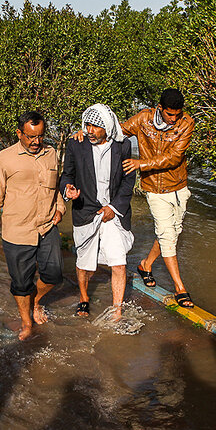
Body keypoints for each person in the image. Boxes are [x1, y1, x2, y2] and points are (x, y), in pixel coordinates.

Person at [0, 111, 65, 341]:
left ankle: (35, 301)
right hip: (17, 231)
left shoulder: (51, 153)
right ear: (19, 133)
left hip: (46, 227)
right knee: (21, 283)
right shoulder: (4, 158)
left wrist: (61, 209)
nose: (36, 142)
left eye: (40, 136)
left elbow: (57, 187)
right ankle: (26, 321)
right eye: (31, 136)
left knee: (54, 274)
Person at [58, 104, 136, 322]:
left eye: (95, 126)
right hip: (86, 210)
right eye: (87, 125)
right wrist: (68, 189)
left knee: (118, 262)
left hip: (114, 211)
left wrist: (113, 208)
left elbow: (129, 181)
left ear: (107, 127)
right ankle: (84, 299)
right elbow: (67, 175)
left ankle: (117, 310)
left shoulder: (123, 146)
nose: (89, 130)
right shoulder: (76, 143)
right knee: (84, 262)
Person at [120, 88, 195, 307]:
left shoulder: (186, 123)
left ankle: (145, 265)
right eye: (169, 114)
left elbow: (174, 158)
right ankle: (180, 288)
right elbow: (118, 131)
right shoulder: (143, 119)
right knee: (166, 235)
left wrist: (139, 163)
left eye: (177, 115)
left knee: (173, 231)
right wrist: (87, 133)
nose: (173, 119)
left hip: (179, 186)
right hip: (154, 188)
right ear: (160, 109)